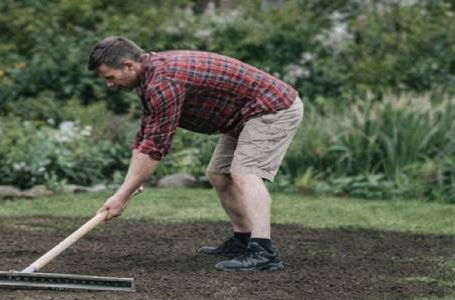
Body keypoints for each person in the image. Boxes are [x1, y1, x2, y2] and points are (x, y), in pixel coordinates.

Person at [89, 36, 303, 271]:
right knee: (219, 174)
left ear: (129, 65)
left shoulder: (163, 82)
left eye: (110, 77)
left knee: (244, 172)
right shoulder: (149, 79)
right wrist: (125, 190)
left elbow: (154, 148)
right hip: (243, 114)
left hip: (272, 107)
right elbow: (145, 139)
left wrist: (122, 195)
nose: (109, 84)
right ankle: (243, 240)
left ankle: (263, 251)